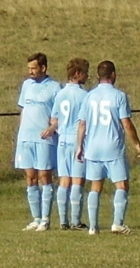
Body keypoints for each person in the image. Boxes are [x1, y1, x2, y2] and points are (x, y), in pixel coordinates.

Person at [76, 61, 140, 235]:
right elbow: (126, 124)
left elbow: (82, 124)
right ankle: (117, 223)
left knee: (95, 187)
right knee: (121, 185)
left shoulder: (89, 96)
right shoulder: (119, 96)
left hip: (92, 147)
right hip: (112, 147)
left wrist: (79, 147)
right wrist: (137, 143)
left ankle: (93, 227)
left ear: (98, 76)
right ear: (113, 74)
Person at [15, 52, 61, 231]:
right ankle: (35, 217)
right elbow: (24, 110)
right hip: (26, 138)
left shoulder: (55, 87)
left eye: (33, 68)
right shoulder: (26, 85)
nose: (30, 72)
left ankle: (46, 219)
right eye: (29, 68)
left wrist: (52, 128)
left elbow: (59, 114)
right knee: (30, 177)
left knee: (44, 176)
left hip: (44, 138)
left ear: (43, 68)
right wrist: (20, 133)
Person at [44, 58, 90, 230]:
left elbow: (54, 119)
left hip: (62, 140)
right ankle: (75, 220)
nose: (87, 76)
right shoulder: (84, 96)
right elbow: (85, 121)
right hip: (77, 139)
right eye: (85, 72)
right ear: (77, 74)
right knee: (77, 181)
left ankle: (63, 220)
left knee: (64, 180)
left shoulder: (61, 94)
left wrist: (52, 128)